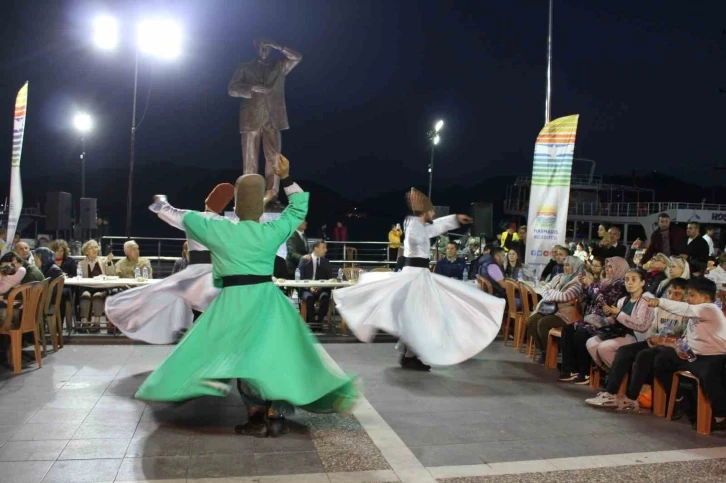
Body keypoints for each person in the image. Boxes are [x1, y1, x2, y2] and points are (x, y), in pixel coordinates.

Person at [134, 155, 359, 438]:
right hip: (268, 299)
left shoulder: (219, 228)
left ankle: (254, 416)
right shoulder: (271, 231)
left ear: (236, 206)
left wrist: (160, 204)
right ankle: (275, 414)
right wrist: (287, 178)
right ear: (259, 207)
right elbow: (298, 209)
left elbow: (179, 216)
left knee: (241, 356)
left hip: (234, 301)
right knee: (272, 354)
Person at [333, 188, 505, 371]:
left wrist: (454, 219)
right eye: (431, 211)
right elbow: (427, 231)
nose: (433, 213)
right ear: (423, 213)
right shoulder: (415, 226)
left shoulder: (419, 225)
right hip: (414, 277)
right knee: (419, 315)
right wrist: (428, 213)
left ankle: (409, 355)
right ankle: (410, 355)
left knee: (417, 316)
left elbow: (434, 227)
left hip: (419, 276)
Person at [105, 184, 236, 344]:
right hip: (220, 275)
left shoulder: (192, 217)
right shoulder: (229, 223)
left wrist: (161, 199)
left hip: (197, 274)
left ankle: (134, 318)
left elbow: (166, 210)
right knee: (214, 314)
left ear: (207, 202)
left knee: (162, 292)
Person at [585, 278, 688, 410]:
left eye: (677, 294)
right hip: (656, 342)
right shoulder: (661, 308)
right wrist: (654, 338)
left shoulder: (686, 313)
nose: (672, 296)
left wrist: (664, 340)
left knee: (643, 356)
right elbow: (653, 330)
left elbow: (684, 339)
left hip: (672, 347)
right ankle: (610, 394)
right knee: (624, 351)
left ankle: (631, 398)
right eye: (669, 292)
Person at [650, 278, 726, 430]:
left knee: (708, 373)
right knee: (662, 359)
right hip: (692, 355)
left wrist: (659, 302)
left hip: (714, 356)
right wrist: (679, 348)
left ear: (705, 298)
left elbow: (684, 309)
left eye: (692, 296)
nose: (688, 299)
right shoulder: (695, 315)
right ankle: (679, 399)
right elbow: (686, 338)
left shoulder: (710, 309)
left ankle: (721, 416)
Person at [559, 257, 629, 383]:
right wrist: (585, 286)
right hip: (592, 318)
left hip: (608, 322)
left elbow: (605, 302)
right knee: (568, 329)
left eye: (611, 267)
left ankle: (584, 372)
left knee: (581, 334)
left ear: (620, 268)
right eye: (606, 266)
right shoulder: (604, 282)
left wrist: (592, 285)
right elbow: (589, 298)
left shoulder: (622, 285)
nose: (608, 269)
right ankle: (570, 369)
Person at [585, 268, 654, 370]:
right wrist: (608, 317)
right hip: (619, 333)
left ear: (642, 282)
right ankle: (610, 371)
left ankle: (622, 374)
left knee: (604, 347)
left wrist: (618, 313)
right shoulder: (623, 300)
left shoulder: (647, 300)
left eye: (633, 280)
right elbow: (617, 320)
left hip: (636, 337)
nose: (629, 282)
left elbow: (641, 326)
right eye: (626, 280)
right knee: (591, 343)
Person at [526, 256, 584, 363]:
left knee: (543, 323)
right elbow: (544, 289)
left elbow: (564, 297)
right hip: (550, 309)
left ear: (575, 267)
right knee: (531, 321)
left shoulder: (578, 282)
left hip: (565, 314)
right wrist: (553, 294)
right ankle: (544, 350)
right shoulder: (558, 277)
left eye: (568, 265)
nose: (565, 268)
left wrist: (551, 292)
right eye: (564, 265)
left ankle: (550, 353)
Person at [298, 240, 332, 326]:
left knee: (325, 297)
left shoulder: (326, 262)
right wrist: (310, 287)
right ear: (315, 249)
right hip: (307, 289)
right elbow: (300, 278)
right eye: (323, 248)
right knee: (309, 298)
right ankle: (312, 322)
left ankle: (319, 322)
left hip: (322, 288)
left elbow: (329, 279)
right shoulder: (304, 260)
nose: (326, 250)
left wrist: (320, 286)